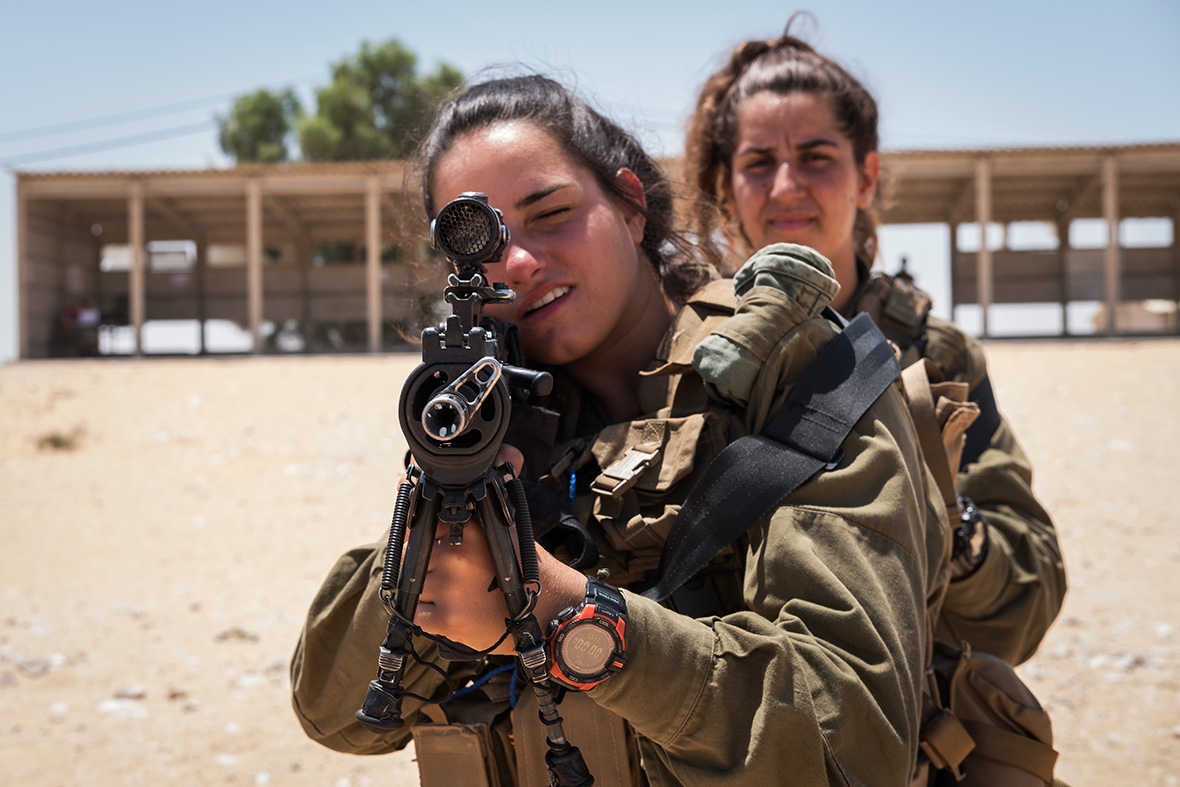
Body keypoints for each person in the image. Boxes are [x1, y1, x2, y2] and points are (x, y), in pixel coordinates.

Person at [292, 74, 951, 786]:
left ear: (631, 205)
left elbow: (849, 743)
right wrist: (433, 527)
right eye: (482, 246)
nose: (516, 262)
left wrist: (560, 611)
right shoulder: (493, 418)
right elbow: (335, 712)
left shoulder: (801, 366)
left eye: (551, 213)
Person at [683, 20, 1066, 666]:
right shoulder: (681, 350)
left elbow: (1027, 602)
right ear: (725, 188)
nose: (785, 187)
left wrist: (947, 518)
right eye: (757, 164)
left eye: (816, 157)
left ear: (866, 177)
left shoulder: (936, 357)